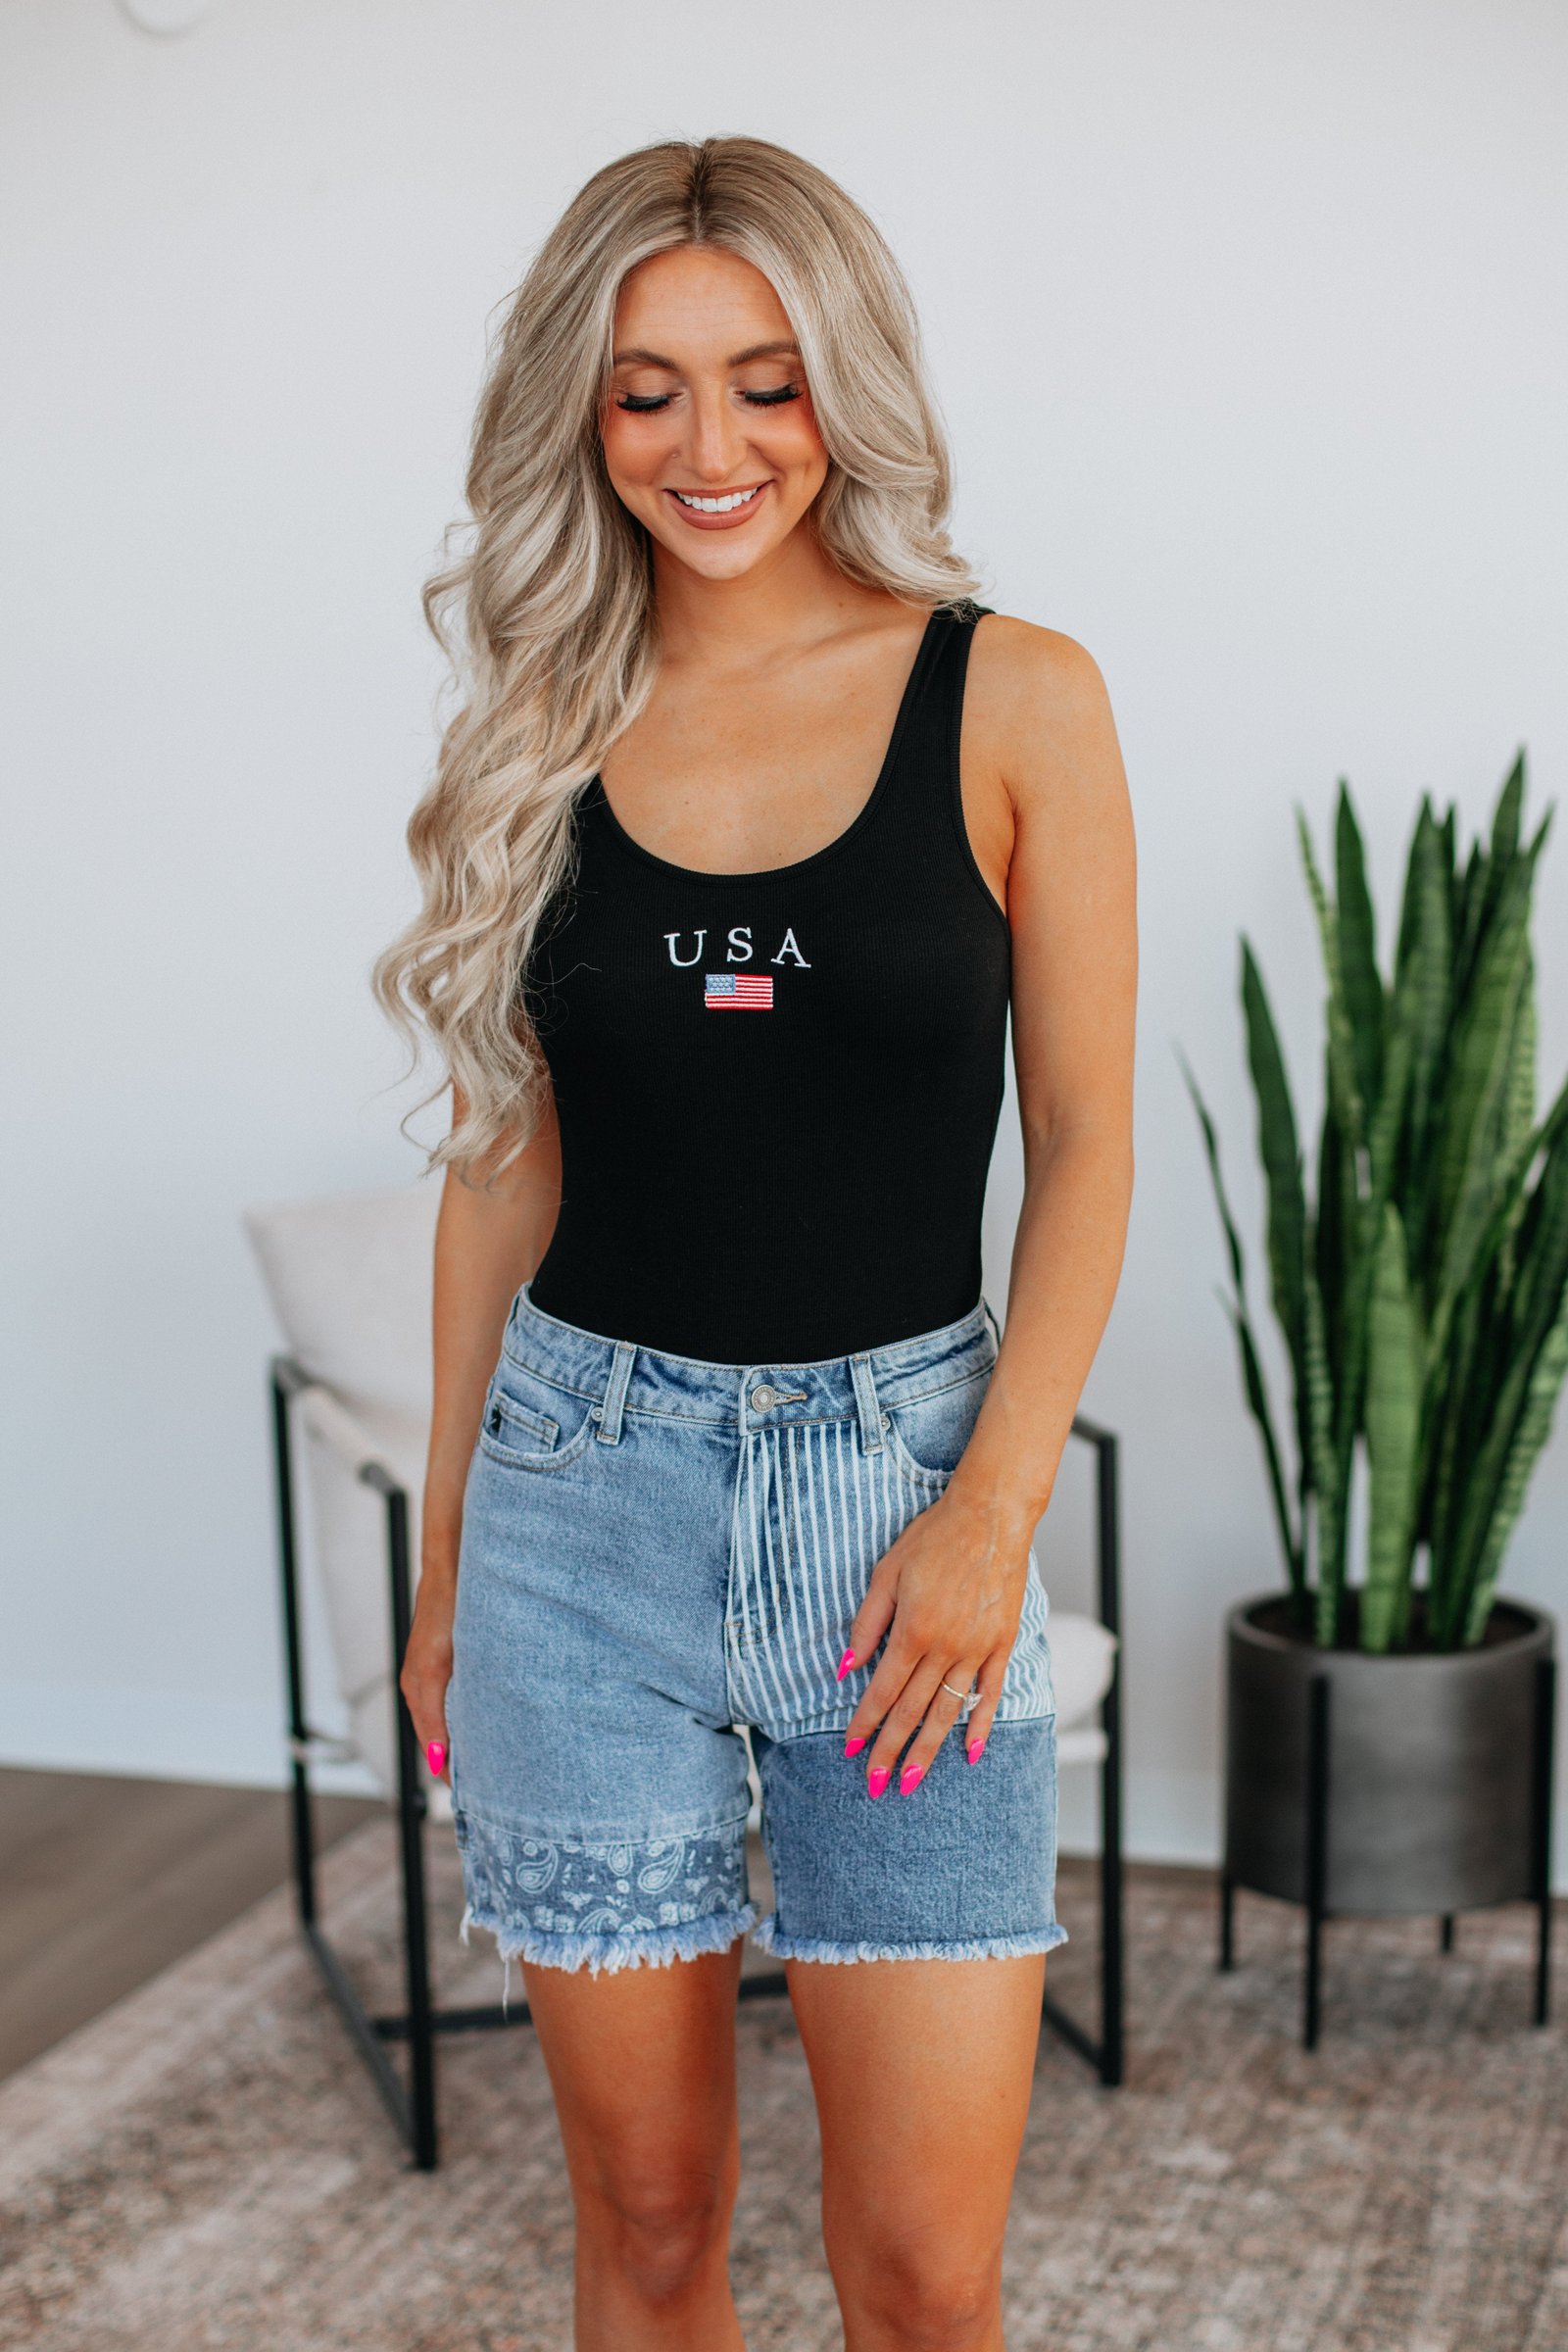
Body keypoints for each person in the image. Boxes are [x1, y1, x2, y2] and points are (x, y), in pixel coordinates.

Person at [373, 133, 1136, 2352]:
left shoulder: (1016, 695)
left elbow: (1085, 1146)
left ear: (845, 388)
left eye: (765, 381)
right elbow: (503, 1168)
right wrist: (444, 1570)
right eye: (646, 391)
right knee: (647, 2227)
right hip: (574, 1522)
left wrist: (992, 1512)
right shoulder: (536, 724)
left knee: (923, 2277)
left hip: (908, 1525)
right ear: (580, 412)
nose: (708, 446)